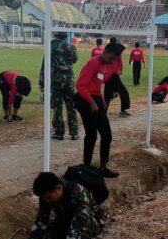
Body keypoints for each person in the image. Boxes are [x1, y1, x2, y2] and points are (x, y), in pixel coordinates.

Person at [26, 172, 104, 239]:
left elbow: (79, 227)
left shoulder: (79, 194)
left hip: (90, 223)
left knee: (74, 230)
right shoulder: (47, 195)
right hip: (66, 219)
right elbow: (41, 220)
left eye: (48, 198)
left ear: (58, 189)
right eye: (44, 198)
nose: (46, 201)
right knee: (50, 229)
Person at [73, 41, 123, 178]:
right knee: (91, 135)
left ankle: (103, 167)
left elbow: (97, 84)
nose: (112, 62)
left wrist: (101, 99)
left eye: (115, 60)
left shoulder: (105, 64)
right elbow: (80, 85)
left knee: (106, 134)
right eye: (111, 58)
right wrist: (91, 102)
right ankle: (86, 168)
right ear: (105, 52)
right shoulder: (93, 63)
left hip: (96, 99)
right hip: (85, 100)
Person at [40, 32, 80, 140]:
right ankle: (74, 132)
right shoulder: (71, 47)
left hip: (56, 80)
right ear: (66, 37)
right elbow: (75, 60)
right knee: (71, 106)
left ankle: (59, 132)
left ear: (55, 36)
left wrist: (42, 82)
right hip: (69, 80)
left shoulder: (51, 47)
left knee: (57, 107)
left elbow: (45, 65)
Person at [103, 37, 131, 117]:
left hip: (108, 75)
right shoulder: (117, 51)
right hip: (114, 75)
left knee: (107, 95)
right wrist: (121, 69)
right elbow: (120, 62)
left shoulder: (108, 50)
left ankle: (103, 113)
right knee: (124, 93)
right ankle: (123, 110)